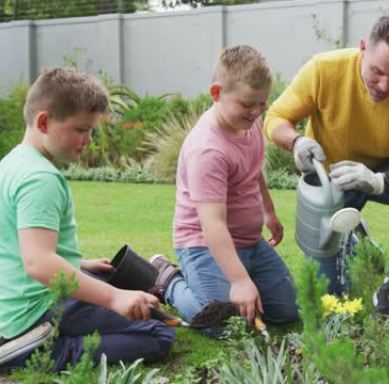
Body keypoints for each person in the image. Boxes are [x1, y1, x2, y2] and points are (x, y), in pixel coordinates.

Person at [264, 14, 389, 313]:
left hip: (385, 169)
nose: (384, 85)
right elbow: (275, 119)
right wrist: (296, 142)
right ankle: (357, 242)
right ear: (362, 49)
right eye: (377, 71)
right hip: (333, 180)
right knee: (328, 295)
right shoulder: (324, 70)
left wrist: (382, 181)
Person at [0, 68, 175, 371]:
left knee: (136, 298)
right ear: (44, 122)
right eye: (81, 129)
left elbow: (14, 245)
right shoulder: (40, 178)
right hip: (38, 310)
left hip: (21, 300)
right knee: (158, 334)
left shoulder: (12, 163)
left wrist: (79, 263)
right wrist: (114, 297)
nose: (88, 140)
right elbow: (39, 263)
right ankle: (38, 351)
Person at [150, 45, 299, 337]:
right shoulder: (208, 150)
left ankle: (239, 277)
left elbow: (253, 170)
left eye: (262, 104)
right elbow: (212, 224)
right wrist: (240, 281)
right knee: (222, 326)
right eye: (247, 104)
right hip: (202, 245)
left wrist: (268, 211)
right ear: (216, 93)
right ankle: (169, 281)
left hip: (249, 242)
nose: (256, 112)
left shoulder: (248, 122)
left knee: (286, 311)